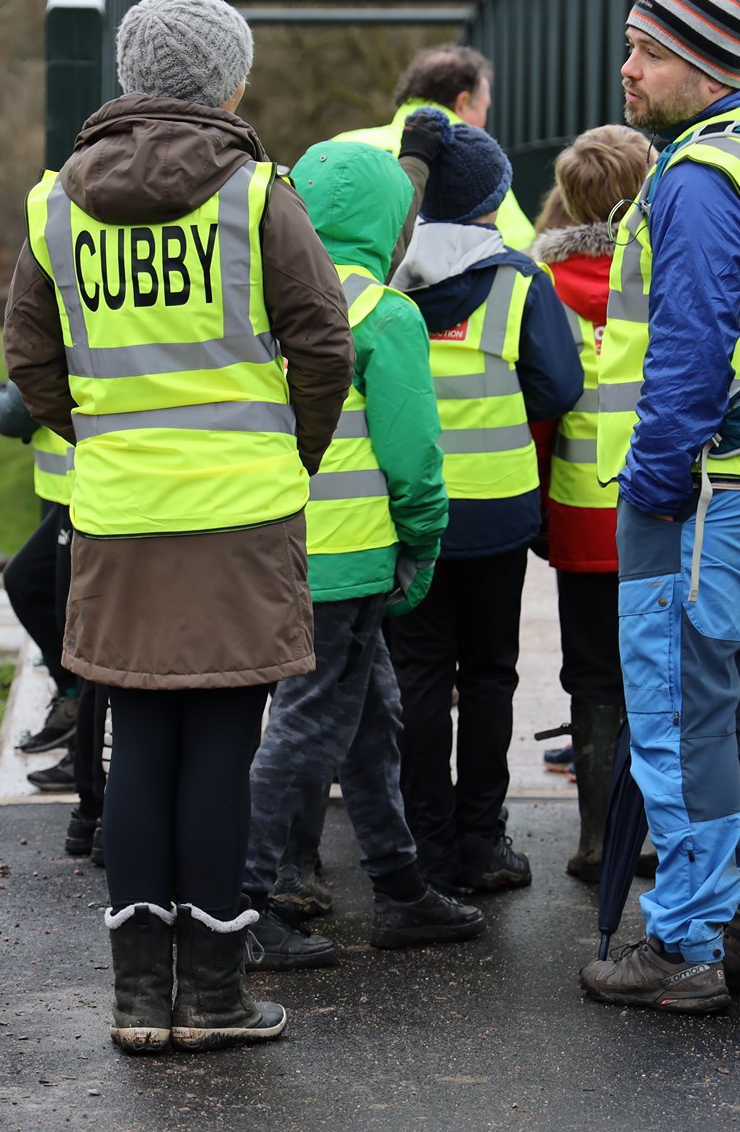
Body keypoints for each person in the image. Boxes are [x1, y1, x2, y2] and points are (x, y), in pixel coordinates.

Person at [5, 0, 354, 1054]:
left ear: (125, 74)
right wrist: (281, 452)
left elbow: (29, 360)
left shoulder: (51, 207)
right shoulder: (256, 198)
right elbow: (324, 345)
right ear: (229, 83)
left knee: (138, 738)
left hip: (115, 513)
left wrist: (103, 437)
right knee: (221, 748)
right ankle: (210, 996)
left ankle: (133, 999)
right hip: (241, 514)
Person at [581, 0, 740, 1014]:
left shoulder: (698, 179)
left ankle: (682, 941)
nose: (626, 69)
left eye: (647, 51)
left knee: (678, 709)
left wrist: (650, 479)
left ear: (705, 62)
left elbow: (686, 352)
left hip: (698, 486)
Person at [240, 130, 487, 970]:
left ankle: (399, 885)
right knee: (307, 729)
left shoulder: (260, 301)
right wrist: (420, 547)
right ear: (393, 225)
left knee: (371, 719)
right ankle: (241, 905)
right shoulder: (386, 314)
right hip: (351, 558)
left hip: (274, 548)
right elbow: (414, 459)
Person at [388, 120, 583, 895]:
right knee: (491, 675)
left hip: (410, 512)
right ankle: (482, 840)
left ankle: (426, 845)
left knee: (421, 676)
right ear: (490, 203)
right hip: (499, 512)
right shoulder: (519, 280)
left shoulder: (388, 278)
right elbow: (561, 386)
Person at [530, 124, 655, 882]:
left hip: (580, 513)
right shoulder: (668, 274)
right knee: (662, 673)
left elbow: (541, 408)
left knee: (593, 676)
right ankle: (659, 828)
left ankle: (599, 837)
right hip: (664, 507)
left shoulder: (544, 287)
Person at [0, 379, 105, 848]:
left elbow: (19, 409)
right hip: (71, 491)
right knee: (43, 596)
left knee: (82, 631)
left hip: (98, 492)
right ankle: (92, 783)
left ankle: (95, 796)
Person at [336, 44, 538, 251]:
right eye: (484, 108)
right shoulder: (474, 164)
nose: (485, 120)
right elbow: (521, 248)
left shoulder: (342, 147)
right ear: (463, 102)